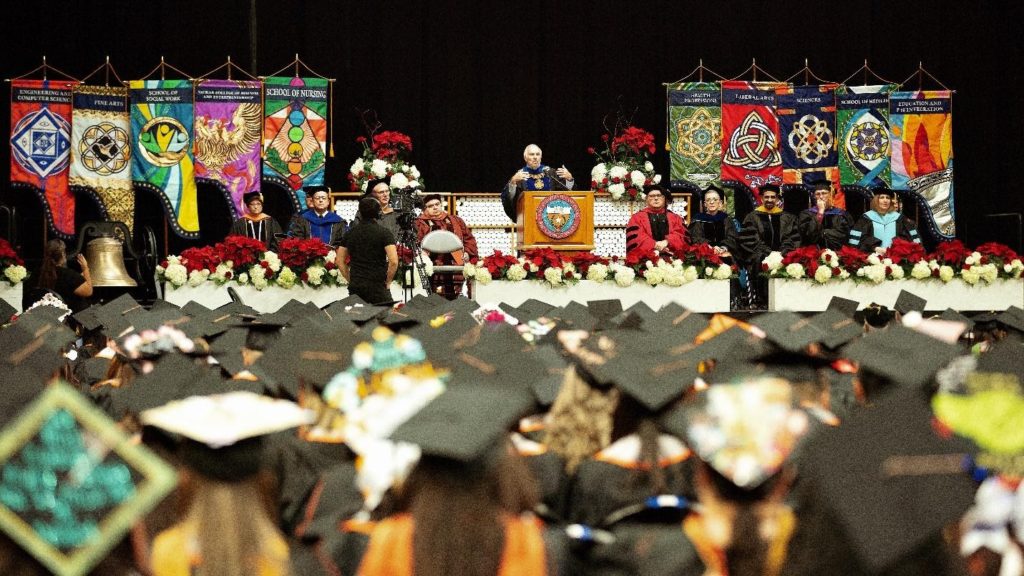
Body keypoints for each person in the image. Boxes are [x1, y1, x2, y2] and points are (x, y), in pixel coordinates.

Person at [414, 194, 478, 299]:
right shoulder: (419, 223)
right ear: (424, 209)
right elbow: (414, 243)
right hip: (430, 263)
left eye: (437, 204)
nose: (435, 207)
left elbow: (469, 239)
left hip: (456, 261)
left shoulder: (456, 220)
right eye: (430, 206)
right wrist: (421, 253)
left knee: (454, 298)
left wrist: (467, 253)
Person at [337, 197, 399, 305]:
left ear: (360, 212)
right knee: (385, 319)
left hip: (356, 286)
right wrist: (388, 282)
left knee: (357, 319)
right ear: (378, 212)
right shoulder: (384, 233)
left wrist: (350, 280)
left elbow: (340, 261)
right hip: (378, 286)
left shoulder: (350, 233)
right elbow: (393, 261)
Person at [501, 144, 574, 221]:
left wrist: (569, 180)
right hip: (528, 219)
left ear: (541, 157)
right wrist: (513, 182)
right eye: (532, 154)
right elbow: (510, 200)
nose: (535, 157)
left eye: (537, 154)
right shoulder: (519, 176)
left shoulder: (551, 173)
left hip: (551, 220)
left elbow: (567, 194)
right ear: (525, 158)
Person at [737, 184, 801, 264]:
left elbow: (792, 239)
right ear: (762, 199)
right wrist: (769, 253)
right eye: (766, 197)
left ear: (777, 199)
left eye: (773, 197)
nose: (769, 200)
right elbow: (749, 240)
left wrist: (782, 253)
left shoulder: (788, 218)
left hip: (783, 260)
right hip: (759, 262)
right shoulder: (752, 217)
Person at [848, 186, 921, 252]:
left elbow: (910, 239)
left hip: (896, 257)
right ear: (876, 200)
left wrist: (896, 246)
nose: (885, 200)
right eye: (882, 197)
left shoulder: (899, 218)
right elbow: (858, 240)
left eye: (888, 198)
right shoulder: (866, 218)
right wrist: (874, 247)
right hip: (872, 258)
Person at [624, 184, 688, 260]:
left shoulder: (675, 218)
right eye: (652, 196)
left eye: (659, 195)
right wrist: (654, 245)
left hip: (672, 260)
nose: (656, 198)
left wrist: (667, 242)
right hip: (645, 261)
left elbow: (682, 235)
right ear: (646, 199)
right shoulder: (637, 218)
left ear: (664, 198)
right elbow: (636, 237)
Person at [27, 239, 92, 311]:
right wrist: (85, 269)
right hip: (69, 318)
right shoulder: (69, 275)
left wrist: (79, 278)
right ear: (63, 254)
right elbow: (88, 292)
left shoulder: (36, 273)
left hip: (45, 316)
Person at [797, 181, 853, 250]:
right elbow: (808, 236)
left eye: (824, 193)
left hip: (837, 253)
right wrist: (820, 212)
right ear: (814, 197)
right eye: (817, 194)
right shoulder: (806, 214)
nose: (821, 197)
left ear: (830, 194)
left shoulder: (841, 214)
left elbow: (844, 236)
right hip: (813, 253)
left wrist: (824, 233)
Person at [688, 185, 740, 257]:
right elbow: (696, 238)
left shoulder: (726, 219)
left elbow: (732, 238)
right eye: (708, 200)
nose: (712, 202)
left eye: (715, 199)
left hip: (724, 254)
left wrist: (722, 248)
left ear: (720, 202)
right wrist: (710, 247)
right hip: (704, 254)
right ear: (705, 204)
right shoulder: (698, 219)